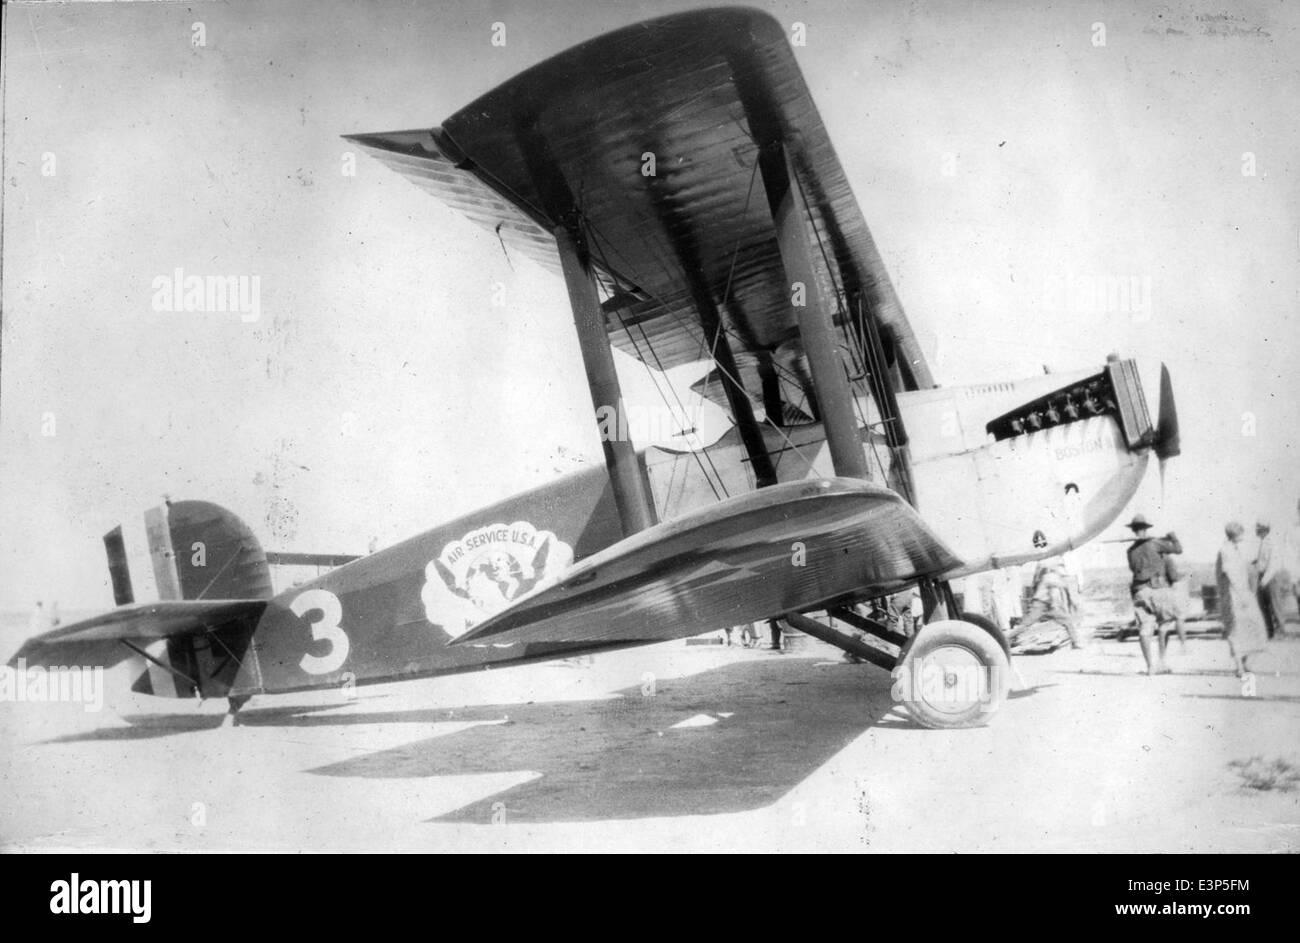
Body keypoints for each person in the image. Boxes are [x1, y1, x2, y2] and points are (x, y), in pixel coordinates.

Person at [1125, 513, 1182, 675]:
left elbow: (1133, 569)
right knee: (1164, 624)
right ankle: (1162, 662)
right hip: (1159, 589)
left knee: (1145, 628)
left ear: (1134, 530)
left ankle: (1150, 666)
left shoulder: (1130, 551)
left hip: (1140, 591)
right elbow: (1178, 550)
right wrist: (1173, 537)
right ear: (1145, 529)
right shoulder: (1155, 543)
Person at [1217, 521, 1269, 676]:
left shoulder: (1235, 549)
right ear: (1236, 534)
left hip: (1243, 593)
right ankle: (1240, 666)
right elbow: (1230, 574)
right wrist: (1242, 595)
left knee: (1254, 627)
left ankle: (1246, 663)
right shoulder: (1226, 550)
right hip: (1235, 595)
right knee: (1237, 629)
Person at [1009, 557, 1083, 649]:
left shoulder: (1046, 577)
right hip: (1040, 605)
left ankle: (1075, 643)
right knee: (1025, 625)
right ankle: (1006, 638)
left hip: (1048, 606)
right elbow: (1062, 590)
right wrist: (1072, 604)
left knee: (1067, 621)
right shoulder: (1051, 577)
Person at [1254, 519, 1291, 639]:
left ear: (1264, 529)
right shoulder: (1263, 541)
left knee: (1275, 604)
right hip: (1263, 575)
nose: (1256, 529)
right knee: (1263, 605)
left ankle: (1281, 631)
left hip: (1271, 576)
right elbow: (1263, 560)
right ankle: (1269, 632)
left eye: (1258, 527)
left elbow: (1273, 564)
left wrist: (1264, 580)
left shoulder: (1272, 542)